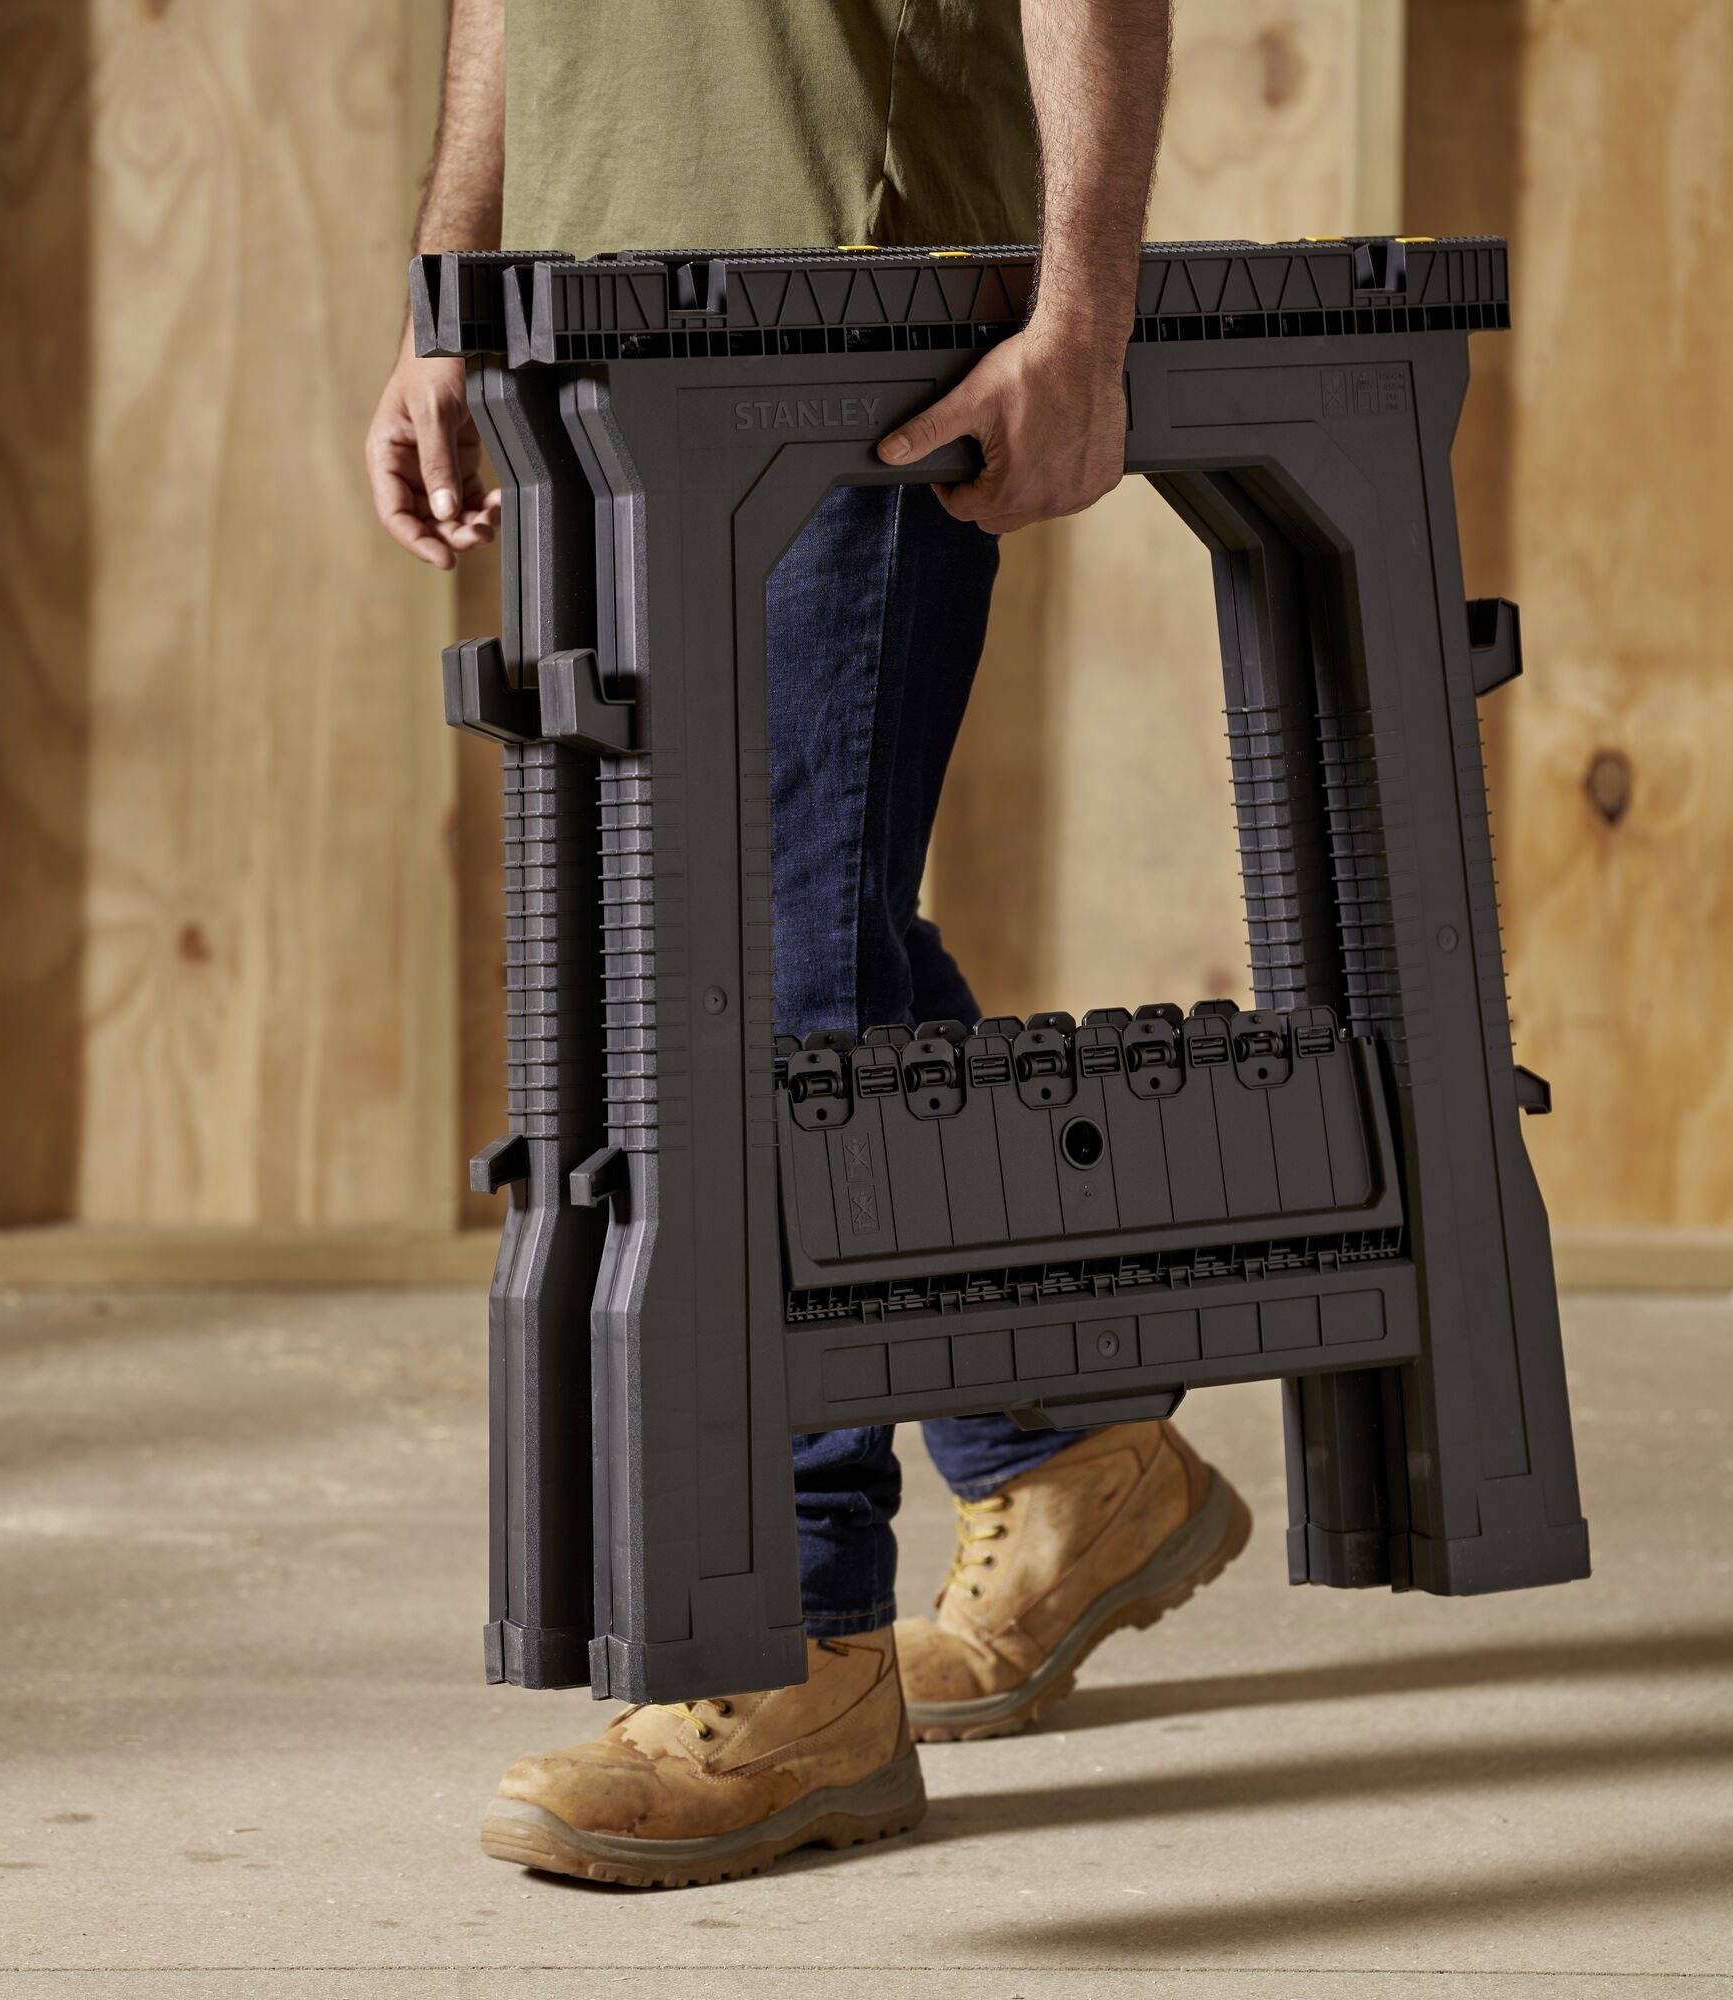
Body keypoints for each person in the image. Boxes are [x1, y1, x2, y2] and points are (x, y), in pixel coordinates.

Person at [366, 0, 1253, 1889]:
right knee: (781, 949)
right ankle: (1066, 1446)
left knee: (762, 973)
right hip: (594, 316)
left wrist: (1083, 315)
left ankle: (791, 1657)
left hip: (852, 305)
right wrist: (455, 296)